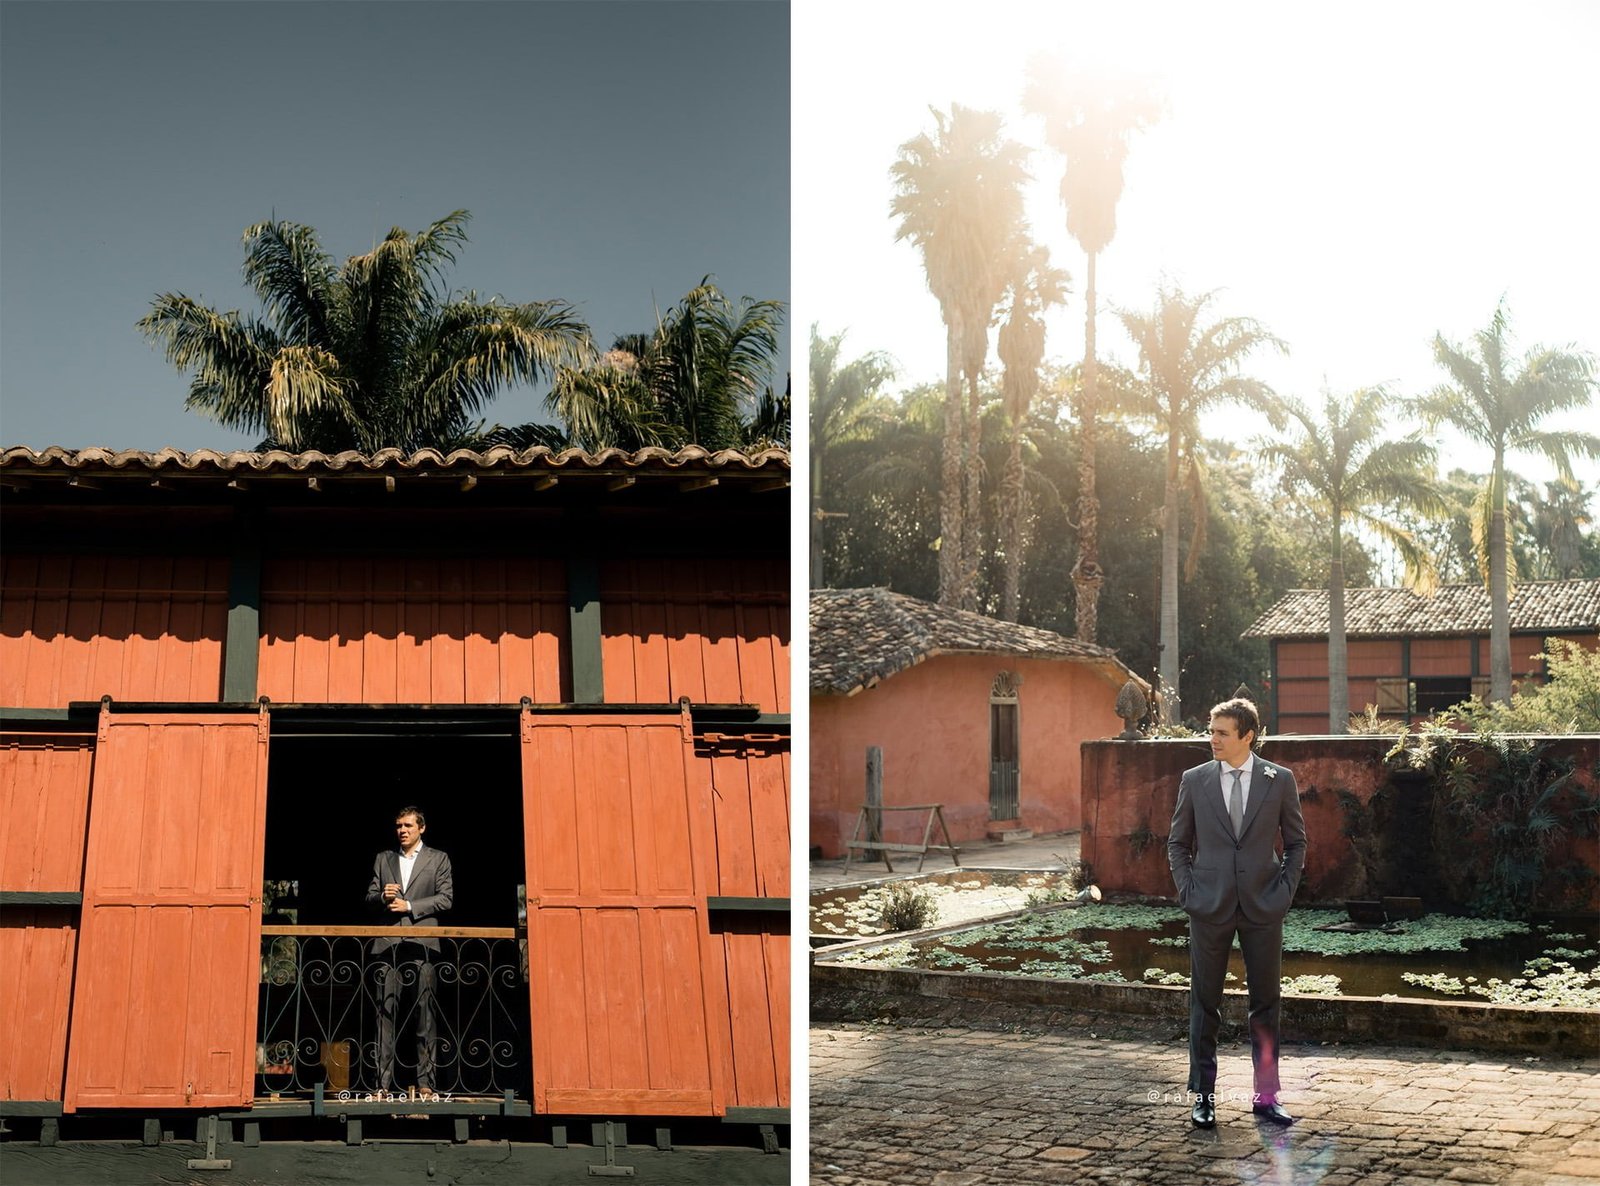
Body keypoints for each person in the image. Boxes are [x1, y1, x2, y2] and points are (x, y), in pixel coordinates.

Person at [1167, 698, 1305, 1129]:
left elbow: (1296, 843)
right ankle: (1203, 1097)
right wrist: (1189, 891)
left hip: (1264, 904)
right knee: (1204, 1002)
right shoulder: (1195, 780)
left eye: (1222, 732)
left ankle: (1267, 1097)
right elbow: (1177, 843)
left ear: (1247, 736)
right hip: (1208, 905)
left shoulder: (1279, 780)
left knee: (1266, 1003)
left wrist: (1283, 892)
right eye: (1211, 731)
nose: (1213, 739)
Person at [365, 806, 453, 1094]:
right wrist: (382, 896)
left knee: (425, 1014)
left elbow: (446, 899)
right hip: (388, 945)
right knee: (384, 1014)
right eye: (398, 826)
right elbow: (369, 897)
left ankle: (426, 1083)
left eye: (408, 826)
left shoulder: (438, 858)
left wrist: (410, 906)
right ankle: (381, 1085)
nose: (402, 830)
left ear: (421, 828)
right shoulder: (383, 859)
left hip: (422, 945)